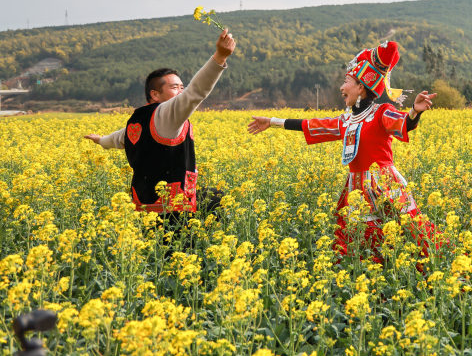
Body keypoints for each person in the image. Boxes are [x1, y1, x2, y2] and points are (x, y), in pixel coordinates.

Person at [247, 41, 438, 262]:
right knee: (354, 246)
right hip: (355, 190)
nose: (341, 88)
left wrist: (415, 111)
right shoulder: (346, 120)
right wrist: (272, 121)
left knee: (412, 235)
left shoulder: (381, 112)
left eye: (346, 81)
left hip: (385, 187)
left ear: (361, 87)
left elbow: (404, 123)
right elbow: (312, 125)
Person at [85, 28, 236, 220]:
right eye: (175, 88)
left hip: (144, 205)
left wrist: (100, 140)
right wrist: (219, 58)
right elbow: (195, 92)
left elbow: (118, 138)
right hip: (171, 210)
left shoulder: (138, 120)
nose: (181, 92)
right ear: (155, 94)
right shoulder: (167, 115)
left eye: (182, 87)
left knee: (214, 197)